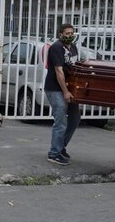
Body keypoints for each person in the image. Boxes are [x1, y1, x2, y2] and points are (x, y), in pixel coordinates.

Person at [44, 23, 81, 166]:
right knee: (60, 121)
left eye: (72, 33)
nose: (70, 36)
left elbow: (74, 67)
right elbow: (59, 72)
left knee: (75, 117)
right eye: (67, 33)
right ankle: (54, 153)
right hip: (55, 88)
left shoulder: (73, 48)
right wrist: (65, 92)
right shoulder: (56, 48)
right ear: (60, 34)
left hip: (69, 88)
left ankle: (61, 146)